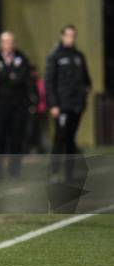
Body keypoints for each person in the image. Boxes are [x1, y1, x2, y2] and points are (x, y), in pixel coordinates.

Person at [45, 25, 91, 183]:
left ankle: (69, 174)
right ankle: (54, 171)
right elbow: (49, 83)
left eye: (73, 35)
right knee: (60, 138)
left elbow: (86, 80)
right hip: (62, 105)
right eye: (68, 35)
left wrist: (83, 97)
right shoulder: (55, 56)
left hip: (76, 106)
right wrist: (53, 104)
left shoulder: (79, 56)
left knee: (71, 140)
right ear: (62, 36)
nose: (71, 38)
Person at [0, 31, 31, 178]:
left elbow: (23, 78)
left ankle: (15, 170)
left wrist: (4, 76)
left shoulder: (21, 58)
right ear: (1, 44)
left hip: (18, 106)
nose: (9, 45)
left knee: (16, 138)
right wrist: (9, 75)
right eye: (6, 42)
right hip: (0, 105)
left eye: (11, 42)